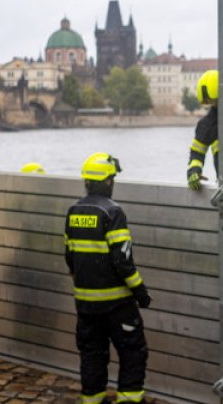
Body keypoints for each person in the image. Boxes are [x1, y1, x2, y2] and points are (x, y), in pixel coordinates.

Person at [65, 153, 152, 403]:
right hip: (118, 305)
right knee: (133, 351)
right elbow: (123, 261)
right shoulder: (113, 212)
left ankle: (93, 399)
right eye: (112, 178)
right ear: (107, 181)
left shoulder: (74, 211)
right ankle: (129, 399)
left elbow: (69, 256)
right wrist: (141, 293)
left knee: (92, 353)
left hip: (85, 303)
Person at [187, 70, 218, 190]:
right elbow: (197, 153)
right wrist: (194, 171)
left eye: (214, 100)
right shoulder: (206, 124)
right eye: (210, 101)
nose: (213, 104)